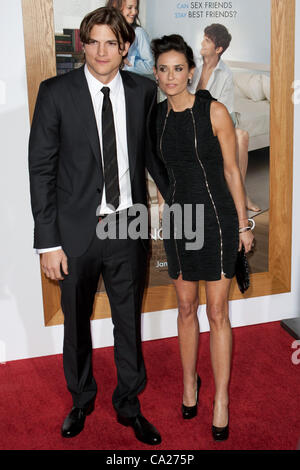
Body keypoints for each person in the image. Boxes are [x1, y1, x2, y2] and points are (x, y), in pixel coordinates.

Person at [28, 7, 169, 445]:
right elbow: (41, 170)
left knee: (128, 319)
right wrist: (47, 242)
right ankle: (81, 398)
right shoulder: (55, 92)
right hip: (74, 232)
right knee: (77, 321)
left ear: (125, 48)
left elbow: (152, 155)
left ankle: (129, 403)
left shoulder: (144, 90)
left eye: (113, 42)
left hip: (128, 225)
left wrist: (187, 201)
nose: (104, 51)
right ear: (81, 45)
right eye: (95, 42)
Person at [151, 34, 254, 440]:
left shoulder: (214, 112)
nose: (171, 76)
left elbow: (232, 172)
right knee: (184, 307)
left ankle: (221, 399)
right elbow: (161, 172)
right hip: (179, 223)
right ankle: (190, 384)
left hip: (216, 220)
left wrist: (243, 225)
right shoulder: (155, 118)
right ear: (156, 74)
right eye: (163, 69)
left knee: (217, 313)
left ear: (191, 71)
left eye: (178, 68)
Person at [189, 24, 261, 213]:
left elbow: (225, 111)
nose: (202, 43)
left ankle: (241, 192)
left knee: (242, 136)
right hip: (188, 120)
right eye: (203, 38)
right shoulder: (192, 63)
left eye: (207, 40)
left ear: (218, 49)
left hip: (213, 122)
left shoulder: (226, 74)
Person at [106, 0, 154, 76]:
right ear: (116, 7)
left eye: (136, 8)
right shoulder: (105, 31)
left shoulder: (138, 33)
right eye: (129, 7)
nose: (134, 12)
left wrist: (127, 64)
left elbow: (150, 67)